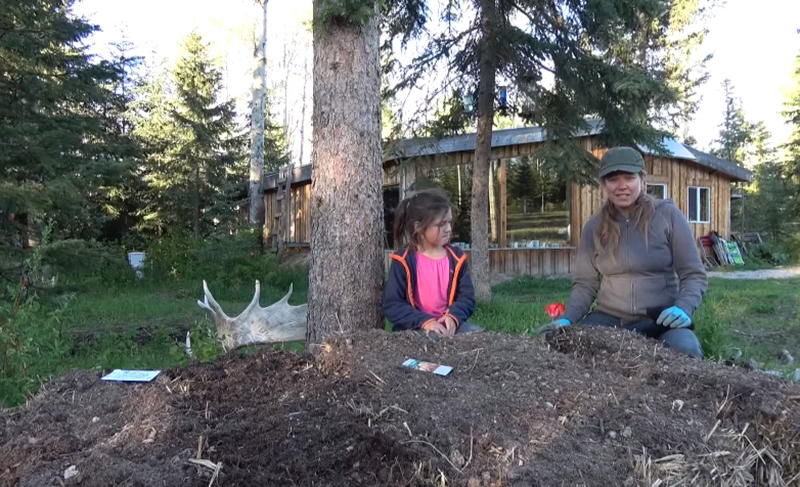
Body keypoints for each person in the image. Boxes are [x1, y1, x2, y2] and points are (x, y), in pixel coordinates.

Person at [540, 146, 707, 358]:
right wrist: (568, 318)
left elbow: (694, 275)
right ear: (604, 185)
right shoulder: (594, 227)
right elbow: (585, 284)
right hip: (609, 318)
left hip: (661, 319)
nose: (622, 186)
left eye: (629, 178)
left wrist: (683, 308)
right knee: (566, 349)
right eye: (613, 179)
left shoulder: (668, 216)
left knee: (686, 351)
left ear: (642, 180)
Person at [383, 188, 483, 338]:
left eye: (449, 222)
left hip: (449, 327)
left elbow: (467, 298)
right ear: (418, 227)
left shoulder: (456, 258)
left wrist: (453, 317)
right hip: (415, 329)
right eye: (441, 224)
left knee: (478, 335)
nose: (448, 229)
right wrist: (425, 322)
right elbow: (393, 305)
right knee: (431, 342)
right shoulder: (402, 261)